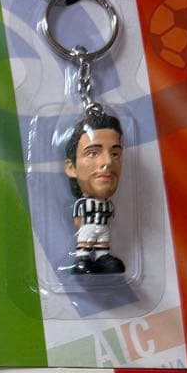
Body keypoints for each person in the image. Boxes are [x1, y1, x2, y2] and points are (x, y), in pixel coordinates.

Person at [64, 112, 125, 275]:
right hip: (88, 227)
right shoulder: (82, 204)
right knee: (85, 241)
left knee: (103, 242)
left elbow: (110, 216)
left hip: (102, 229)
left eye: (115, 154)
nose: (108, 162)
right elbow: (77, 219)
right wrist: (83, 227)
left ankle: (102, 257)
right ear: (71, 168)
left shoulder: (108, 204)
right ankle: (83, 259)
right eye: (93, 153)